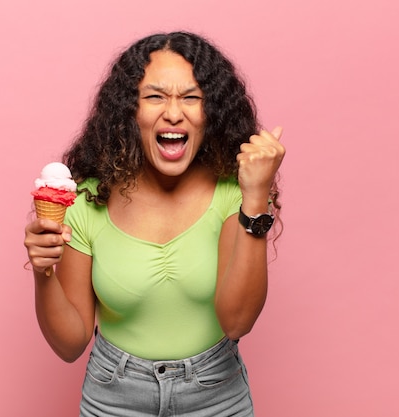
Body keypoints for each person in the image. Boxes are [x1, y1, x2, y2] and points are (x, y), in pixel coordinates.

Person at [24, 31, 285, 416]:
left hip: (216, 396)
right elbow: (70, 345)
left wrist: (256, 196)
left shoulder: (234, 193)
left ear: (210, 111)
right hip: (114, 398)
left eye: (191, 97)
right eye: (155, 96)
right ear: (130, 110)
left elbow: (237, 321)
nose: (174, 113)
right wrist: (43, 270)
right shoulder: (88, 201)